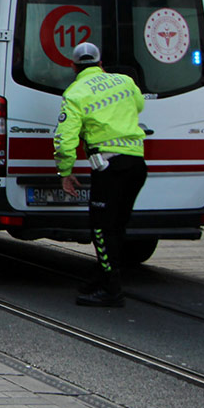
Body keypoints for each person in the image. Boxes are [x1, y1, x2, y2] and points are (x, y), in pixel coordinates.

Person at [54, 42, 147, 308]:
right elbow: (139, 105)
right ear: (100, 63)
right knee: (116, 226)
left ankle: (111, 289)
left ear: (73, 67)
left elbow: (64, 139)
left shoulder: (76, 93)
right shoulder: (125, 81)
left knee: (101, 228)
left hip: (109, 168)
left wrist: (65, 171)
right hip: (136, 166)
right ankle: (104, 276)